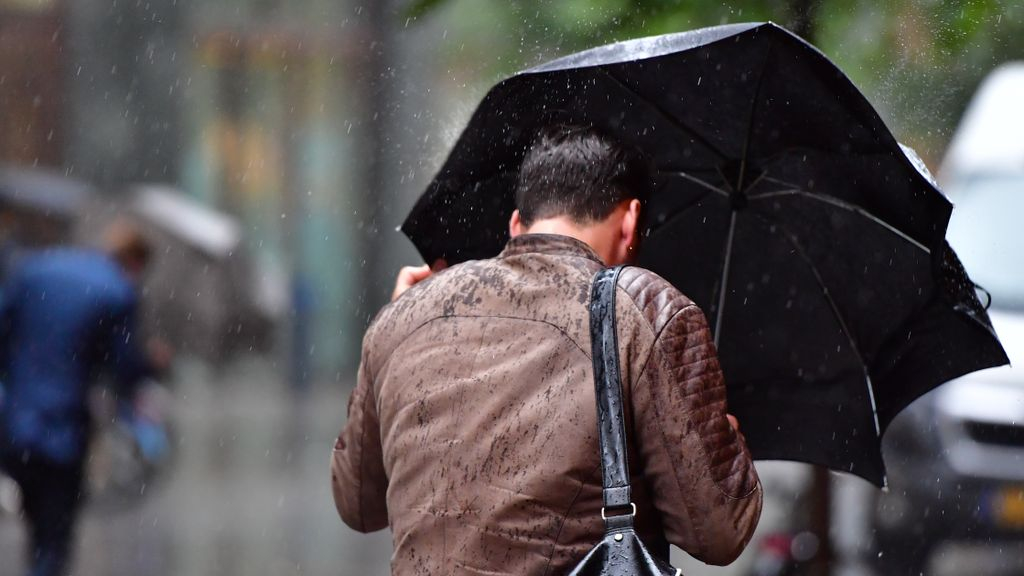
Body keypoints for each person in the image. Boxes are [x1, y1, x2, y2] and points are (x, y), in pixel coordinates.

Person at [332, 125, 762, 574]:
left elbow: (356, 504)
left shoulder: (405, 316)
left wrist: (393, 322)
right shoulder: (644, 310)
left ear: (516, 224)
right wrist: (722, 437)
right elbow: (719, 532)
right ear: (631, 220)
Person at [0, 221, 165, 576]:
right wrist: (152, 364)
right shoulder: (117, 292)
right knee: (53, 536)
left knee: (34, 519)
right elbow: (125, 371)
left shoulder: (36, 269)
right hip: (62, 429)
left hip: (14, 421)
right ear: (136, 263)